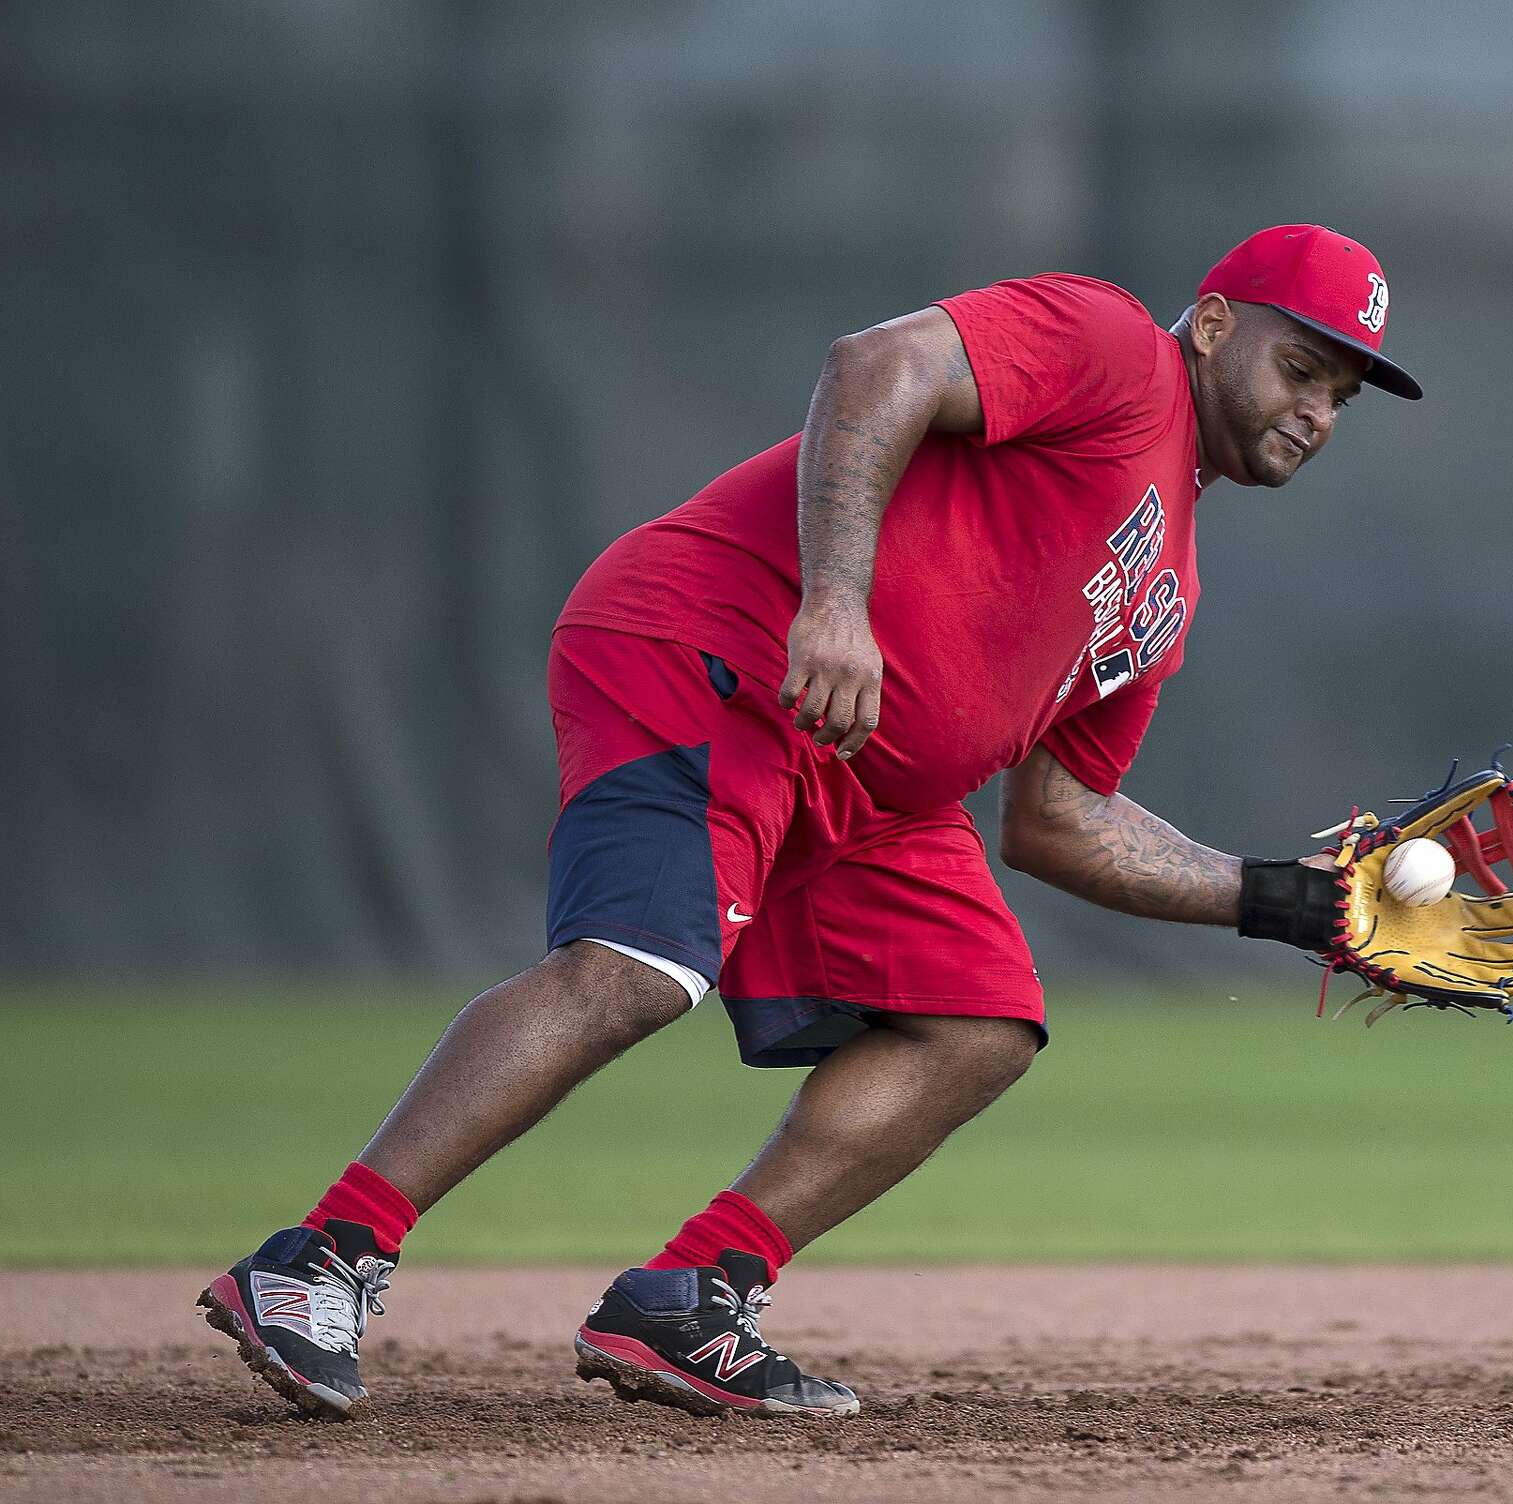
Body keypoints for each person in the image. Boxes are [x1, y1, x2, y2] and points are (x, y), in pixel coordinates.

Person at [199, 224, 1424, 1420]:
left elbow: (1056, 819)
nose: (1316, 410)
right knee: (637, 968)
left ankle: (690, 1294)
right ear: (1212, 324)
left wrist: (1289, 900)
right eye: (1300, 366)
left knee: (978, 1022)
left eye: (1340, 395)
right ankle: (322, 1255)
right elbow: (877, 362)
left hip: (864, 784)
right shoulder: (1111, 351)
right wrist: (834, 600)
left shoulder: (1168, 589)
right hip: (721, 651)